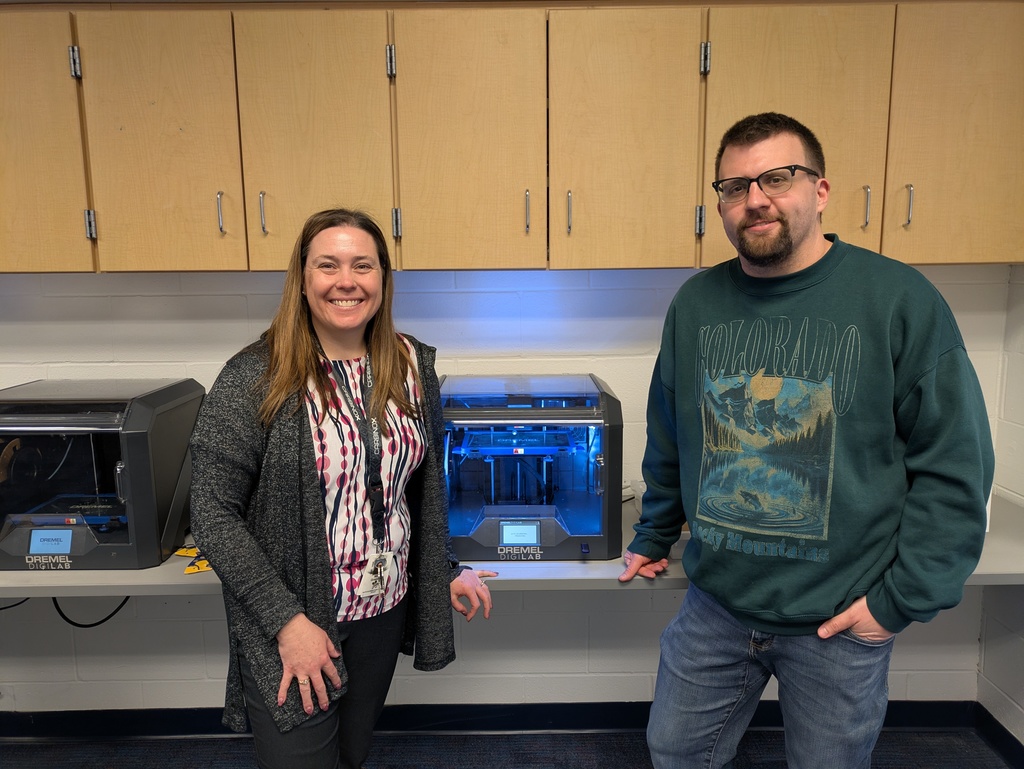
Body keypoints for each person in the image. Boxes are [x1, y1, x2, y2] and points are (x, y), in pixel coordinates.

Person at [619, 113, 993, 768]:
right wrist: (654, 534)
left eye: (776, 176)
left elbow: (955, 466)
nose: (754, 198)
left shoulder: (899, 300)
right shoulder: (696, 303)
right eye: (733, 186)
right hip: (718, 607)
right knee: (675, 750)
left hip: (840, 617)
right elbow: (670, 434)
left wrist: (897, 602)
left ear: (820, 191)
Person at [189, 208, 495, 769]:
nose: (346, 281)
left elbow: (412, 486)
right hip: (296, 619)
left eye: (363, 265)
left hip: (382, 607)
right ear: (302, 279)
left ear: (383, 278)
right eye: (327, 265)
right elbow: (210, 513)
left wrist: (445, 566)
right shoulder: (256, 375)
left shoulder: (408, 364)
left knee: (350, 758)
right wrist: (286, 622)